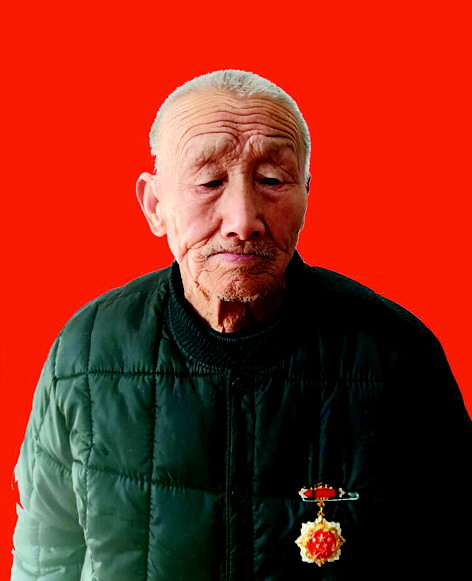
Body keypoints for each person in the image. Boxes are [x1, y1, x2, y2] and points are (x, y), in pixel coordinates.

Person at [12, 70, 470, 580]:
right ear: (155, 205)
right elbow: (46, 554)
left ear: (306, 194)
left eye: (272, 181)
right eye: (210, 182)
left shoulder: (397, 355)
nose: (243, 220)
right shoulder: (86, 352)